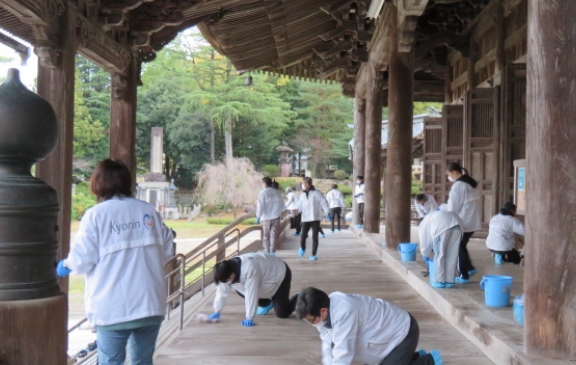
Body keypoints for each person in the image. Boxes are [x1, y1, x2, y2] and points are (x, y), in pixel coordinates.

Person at [56, 159, 175, 365]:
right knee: (143, 361)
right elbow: (168, 250)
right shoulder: (148, 211)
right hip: (150, 303)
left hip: (114, 308)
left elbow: (82, 259)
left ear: (97, 183)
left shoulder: (96, 215)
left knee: (111, 362)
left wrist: (65, 266)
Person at [296, 287, 444, 365]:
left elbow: (343, 352)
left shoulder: (344, 312)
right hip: (383, 337)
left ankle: (428, 360)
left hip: (403, 332)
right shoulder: (323, 310)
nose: (311, 324)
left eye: (311, 320)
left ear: (322, 311)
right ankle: (410, 357)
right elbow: (327, 345)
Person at [207, 253, 299, 326]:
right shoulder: (225, 271)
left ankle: (300, 297)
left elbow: (251, 293)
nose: (226, 284)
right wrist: (217, 311)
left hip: (279, 274)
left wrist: (249, 318)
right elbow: (222, 291)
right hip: (264, 280)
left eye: (227, 280)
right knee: (240, 290)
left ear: (232, 275)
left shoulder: (249, 268)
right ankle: (267, 303)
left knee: (282, 313)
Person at [445, 162, 481, 284]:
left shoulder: (458, 186)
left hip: (462, 222)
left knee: (458, 247)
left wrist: (448, 219)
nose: (449, 177)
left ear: (454, 172)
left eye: (449, 174)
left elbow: (453, 207)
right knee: (461, 245)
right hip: (471, 221)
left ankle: (464, 275)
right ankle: (469, 268)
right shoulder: (471, 184)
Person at [419, 206, 463, 288]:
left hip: (441, 228)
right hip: (457, 227)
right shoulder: (444, 213)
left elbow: (425, 239)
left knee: (440, 255)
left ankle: (439, 281)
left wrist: (425, 253)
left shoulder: (426, 219)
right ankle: (449, 281)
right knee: (452, 255)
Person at [297, 177, 330, 260]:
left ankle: (313, 254)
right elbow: (300, 207)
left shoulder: (317, 193)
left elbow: (324, 203)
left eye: (303, 183)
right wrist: (294, 212)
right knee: (303, 236)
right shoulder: (302, 194)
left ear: (308, 184)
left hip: (315, 218)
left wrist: (327, 213)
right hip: (305, 218)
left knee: (315, 237)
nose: (302, 185)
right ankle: (302, 247)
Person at [256, 176, 284, 256]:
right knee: (274, 235)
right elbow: (282, 205)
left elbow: (260, 205)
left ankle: (266, 251)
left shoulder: (262, 193)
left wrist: (258, 216)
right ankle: (272, 251)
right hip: (276, 217)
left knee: (266, 236)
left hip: (266, 218)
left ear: (264, 183)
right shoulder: (277, 192)